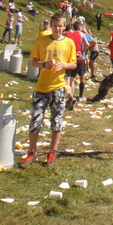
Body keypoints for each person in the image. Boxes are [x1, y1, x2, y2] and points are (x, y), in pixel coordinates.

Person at [19, 12, 77, 168]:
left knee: (57, 120)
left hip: (58, 86)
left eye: (60, 26)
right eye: (55, 26)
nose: (57, 29)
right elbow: (33, 61)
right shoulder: (42, 40)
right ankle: (32, 151)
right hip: (41, 86)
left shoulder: (69, 43)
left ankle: (53, 151)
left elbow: (73, 64)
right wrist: (44, 64)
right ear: (50, 26)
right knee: (35, 119)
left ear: (65, 27)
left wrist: (64, 65)